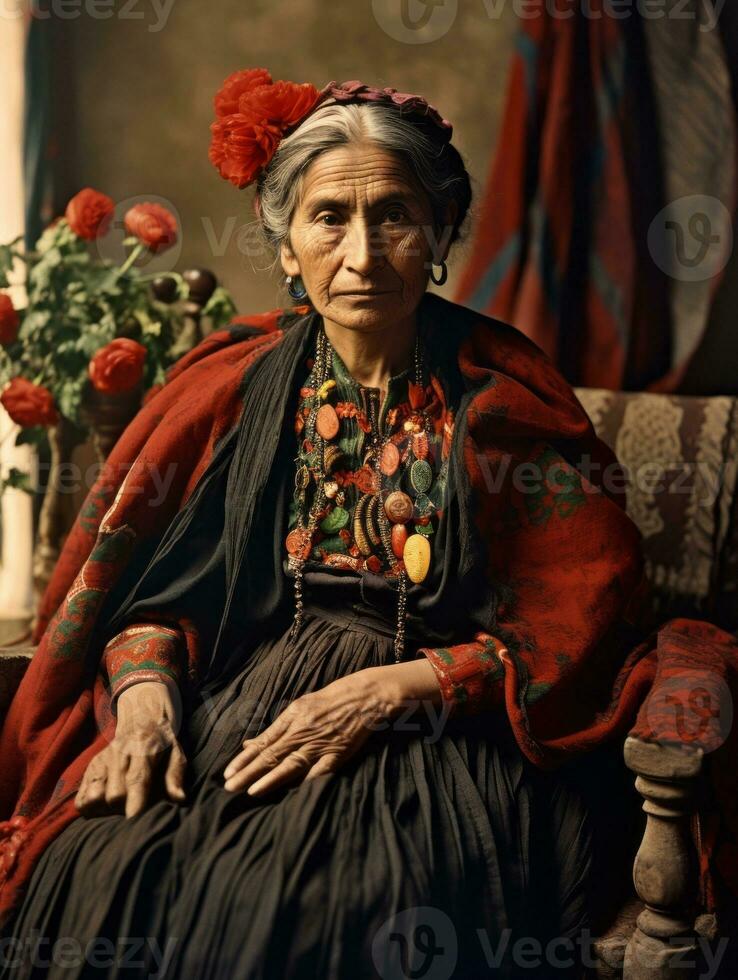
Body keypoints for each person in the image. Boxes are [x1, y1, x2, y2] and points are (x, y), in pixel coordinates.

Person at [1, 69, 736, 979]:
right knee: (110, 863)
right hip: (247, 697)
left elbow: (585, 618)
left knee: (336, 909)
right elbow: (161, 590)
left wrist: (401, 688)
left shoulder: (502, 399)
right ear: (284, 246)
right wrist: (148, 700)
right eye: (329, 219)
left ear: (437, 236)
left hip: (446, 725)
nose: (362, 253)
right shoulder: (230, 390)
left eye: (393, 215)